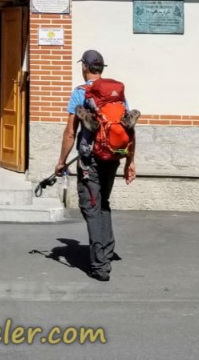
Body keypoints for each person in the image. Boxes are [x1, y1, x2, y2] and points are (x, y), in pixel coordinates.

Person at [54, 49, 135, 281]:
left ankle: (100, 265)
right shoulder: (117, 94)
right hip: (113, 156)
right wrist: (130, 161)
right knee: (103, 203)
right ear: (101, 68)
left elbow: (71, 132)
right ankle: (107, 251)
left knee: (91, 207)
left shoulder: (80, 93)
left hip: (89, 160)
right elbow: (129, 128)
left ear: (85, 67)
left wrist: (61, 162)